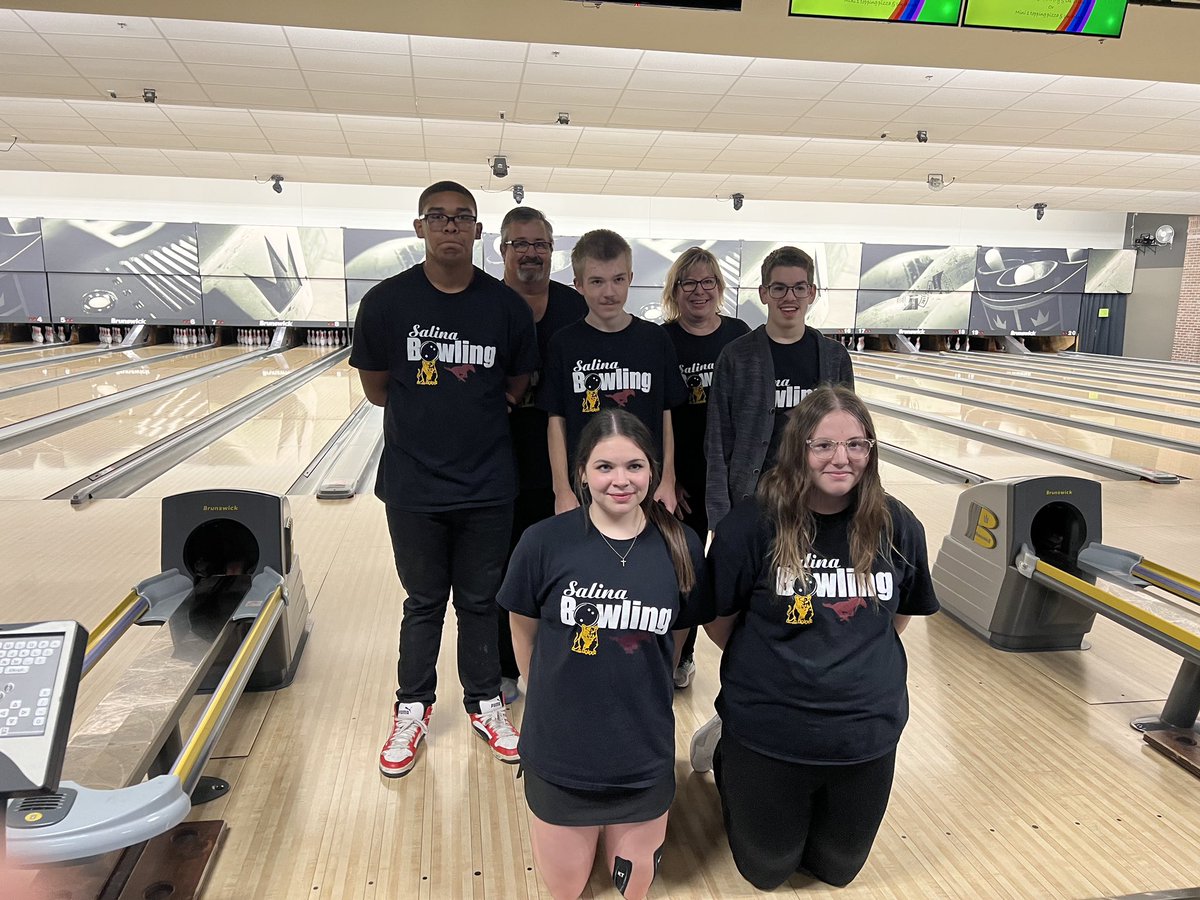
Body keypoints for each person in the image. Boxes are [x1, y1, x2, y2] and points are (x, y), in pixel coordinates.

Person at [691, 385, 939, 889]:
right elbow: (719, 620)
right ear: (797, 449)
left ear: (871, 450)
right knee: (766, 870)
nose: (841, 458)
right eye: (823, 445)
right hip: (770, 727)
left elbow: (895, 616)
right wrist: (775, 664)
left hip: (864, 733)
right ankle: (727, 749)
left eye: (856, 444)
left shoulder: (898, 525)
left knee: (836, 871)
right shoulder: (752, 524)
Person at [351, 180, 538, 778]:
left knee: (480, 602)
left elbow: (517, 386)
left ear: (479, 231)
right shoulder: (385, 303)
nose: (450, 226)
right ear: (420, 227)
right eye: (438, 217)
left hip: (488, 484)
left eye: (462, 218)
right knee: (424, 602)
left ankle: (485, 702)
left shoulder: (505, 307)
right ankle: (413, 707)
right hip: (412, 485)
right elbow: (378, 389)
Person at [499, 408, 708, 900]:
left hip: (642, 752)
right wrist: (546, 693)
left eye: (634, 466)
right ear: (582, 473)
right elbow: (522, 627)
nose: (621, 480)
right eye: (605, 467)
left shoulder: (681, 545)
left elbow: (674, 640)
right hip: (561, 753)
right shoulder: (543, 542)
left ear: (653, 470)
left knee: (632, 890)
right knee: (567, 888)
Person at [498, 206, 587, 703]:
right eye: (519, 243)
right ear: (503, 249)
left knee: (565, 570)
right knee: (505, 570)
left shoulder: (576, 308)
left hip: (566, 467)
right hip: (497, 463)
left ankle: (561, 659)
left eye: (540, 244)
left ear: (552, 251)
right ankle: (505, 666)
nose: (530, 253)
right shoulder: (485, 303)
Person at [705, 245, 854, 531]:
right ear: (764, 293)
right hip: (750, 501)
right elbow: (717, 442)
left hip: (817, 502)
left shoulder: (835, 358)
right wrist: (720, 518)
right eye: (779, 288)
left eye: (799, 288)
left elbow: (849, 439)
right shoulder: (736, 356)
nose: (789, 297)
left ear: (811, 292)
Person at [540, 228, 687, 516]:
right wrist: (562, 491)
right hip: (585, 490)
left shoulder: (655, 339)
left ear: (630, 278)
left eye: (618, 279)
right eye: (597, 281)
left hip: (644, 486)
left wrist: (668, 479)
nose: (609, 292)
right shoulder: (564, 343)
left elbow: (666, 414)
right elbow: (556, 421)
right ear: (578, 284)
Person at [660, 247, 749, 689]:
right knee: (685, 570)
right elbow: (660, 416)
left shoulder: (739, 335)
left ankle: (751, 651)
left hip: (735, 474)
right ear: (675, 291)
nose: (699, 291)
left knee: (738, 564)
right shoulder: (664, 339)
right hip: (683, 478)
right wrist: (668, 478)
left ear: (719, 287)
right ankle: (681, 654)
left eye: (707, 282)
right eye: (688, 283)